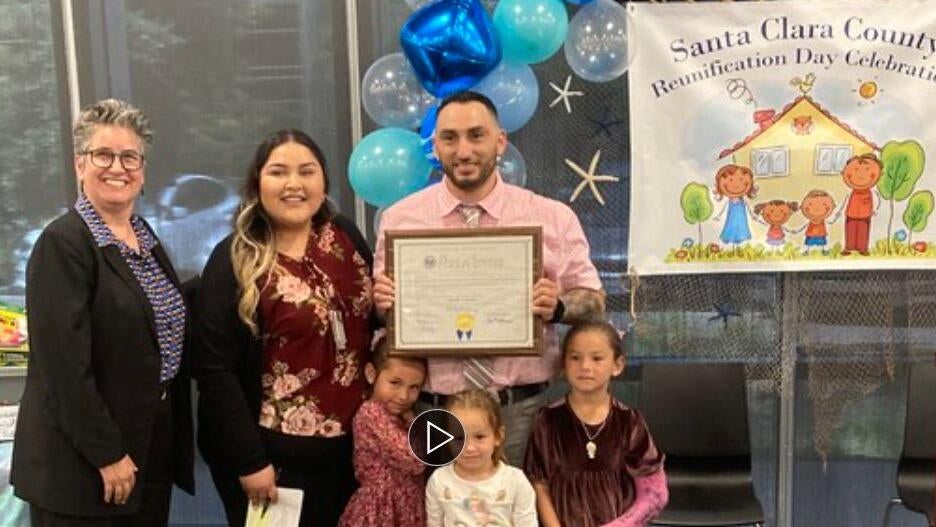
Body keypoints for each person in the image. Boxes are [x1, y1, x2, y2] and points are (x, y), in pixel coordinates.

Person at [373, 90, 604, 465]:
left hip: (523, 410)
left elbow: (594, 302)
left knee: (521, 515)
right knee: (438, 514)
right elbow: (387, 322)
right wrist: (383, 305)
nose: (463, 150)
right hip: (434, 414)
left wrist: (558, 306)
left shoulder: (552, 217)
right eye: (449, 138)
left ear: (500, 141)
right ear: (436, 145)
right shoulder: (400, 220)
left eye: (476, 135)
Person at [11, 98, 194, 525]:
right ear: (80, 165)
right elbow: (63, 369)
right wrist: (107, 453)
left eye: (130, 156)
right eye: (103, 155)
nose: (118, 167)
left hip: (147, 447)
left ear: (143, 169)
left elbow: (155, 317)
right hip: (84, 468)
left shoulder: (142, 237)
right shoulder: (63, 244)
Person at [192, 129, 374, 526]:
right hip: (273, 462)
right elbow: (214, 370)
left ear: (323, 181)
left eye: (306, 171)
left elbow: (375, 320)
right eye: (279, 172)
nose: (294, 184)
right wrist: (250, 461)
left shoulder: (343, 236)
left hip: (354, 456)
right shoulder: (235, 257)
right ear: (257, 185)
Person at [524, 321, 667, 527]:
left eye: (597, 358)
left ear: (617, 365)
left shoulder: (629, 421)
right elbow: (540, 485)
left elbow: (654, 493)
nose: (585, 367)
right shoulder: (547, 420)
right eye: (575, 358)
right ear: (563, 364)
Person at [339, 332, 427, 527]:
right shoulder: (371, 413)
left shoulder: (400, 417)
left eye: (414, 387)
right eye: (395, 383)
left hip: (409, 506)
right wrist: (414, 423)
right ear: (371, 374)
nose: (404, 395)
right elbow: (414, 460)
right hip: (381, 509)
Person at [425, 389, 538, 527]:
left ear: (498, 436)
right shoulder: (439, 481)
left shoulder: (516, 482)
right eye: (459, 438)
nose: (469, 448)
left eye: (479, 437)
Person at [840, 153, 882, 255]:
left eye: (867, 170)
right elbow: (845, 201)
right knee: (850, 230)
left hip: (865, 214)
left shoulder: (872, 192)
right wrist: (839, 211)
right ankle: (849, 247)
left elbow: (877, 200)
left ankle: (862, 248)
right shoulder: (850, 192)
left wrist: (875, 209)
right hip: (851, 214)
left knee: (863, 231)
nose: (860, 176)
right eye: (856, 170)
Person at [713, 164, 757, 251]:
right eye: (731, 180)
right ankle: (731, 247)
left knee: (740, 230)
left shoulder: (743, 200)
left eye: (741, 180)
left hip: (741, 220)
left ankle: (738, 247)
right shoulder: (728, 201)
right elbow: (724, 209)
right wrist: (719, 216)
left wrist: (752, 216)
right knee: (731, 229)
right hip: (731, 219)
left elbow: (749, 209)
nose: (736, 185)